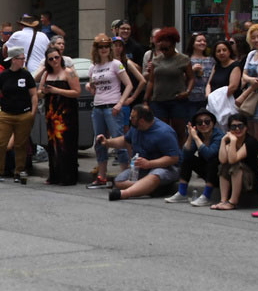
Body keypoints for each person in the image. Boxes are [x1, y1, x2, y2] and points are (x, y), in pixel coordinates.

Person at [98, 104, 182, 201]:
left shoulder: (164, 132)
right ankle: (150, 188)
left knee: (155, 175)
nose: (130, 119)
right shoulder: (136, 128)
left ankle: (123, 194)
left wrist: (149, 164)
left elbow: (173, 158)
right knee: (119, 181)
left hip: (166, 167)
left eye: (133, 117)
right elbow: (125, 140)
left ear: (141, 121)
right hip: (142, 167)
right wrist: (107, 142)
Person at [86, 34, 134, 189]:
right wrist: (90, 87)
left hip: (112, 105)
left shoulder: (116, 64)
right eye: (101, 47)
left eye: (107, 46)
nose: (104, 49)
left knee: (118, 141)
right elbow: (94, 89)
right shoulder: (93, 67)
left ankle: (125, 175)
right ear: (96, 49)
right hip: (98, 105)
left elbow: (129, 85)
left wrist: (120, 103)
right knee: (99, 142)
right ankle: (102, 176)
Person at [0, 46, 38, 183]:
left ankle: (19, 171)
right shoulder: (3, 75)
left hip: (23, 114)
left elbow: (34, 94)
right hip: (5, 114)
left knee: (20, 144)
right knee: (0, 143)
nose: (23, 61)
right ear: (13, 60)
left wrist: (32, 112)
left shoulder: (26, 75)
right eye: (21, 58)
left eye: (24, 58)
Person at [39, 47, 81, 185]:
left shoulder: (69, 72)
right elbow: (39, 92)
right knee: (52, 145)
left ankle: (67, 176)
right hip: (51, 113)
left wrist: (57, 90)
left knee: (66, 145)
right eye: (51, 59)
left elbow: (77, 92)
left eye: (56, 57)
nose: (54, 61)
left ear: (61, 57)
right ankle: (54, 175)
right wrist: (43, 92)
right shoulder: (46, 74)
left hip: (66, 114)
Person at [145, 27, 193, 143]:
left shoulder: (183, 59)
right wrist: (146, 99)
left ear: (173, 42)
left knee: (179, 131)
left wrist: (187, 92)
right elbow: (151, 81)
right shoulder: (156, 60)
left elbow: (191, 78)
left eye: (165, 42)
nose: (162, 46)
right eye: (160, 42)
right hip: (159, 101)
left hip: (177, 100)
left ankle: (181, 157)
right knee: (162, 131)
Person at [167, 109, 222, 206]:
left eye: (207, 121)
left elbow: (210, 154)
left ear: (213, 123)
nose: (203, 124)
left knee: (213, 160)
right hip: (206, 172)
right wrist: (190, 136)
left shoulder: (219, 136)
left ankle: (207, 196)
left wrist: (195, 137)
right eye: (200, 123)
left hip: (220, 175)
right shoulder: (198, 135)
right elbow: (185, 155)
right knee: (188, 159)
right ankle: (182, 193)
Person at [211, 113, 258, 210]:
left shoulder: (250, 142)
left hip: (253, 181)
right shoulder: (229, 140)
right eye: (233, 127)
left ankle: (232, 202)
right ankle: (223, 200)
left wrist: (233, 141)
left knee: (236, 166)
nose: (237, 129)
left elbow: (233, 159)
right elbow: (222, 160)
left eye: (240, 126)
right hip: (237, 178)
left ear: (246, 127)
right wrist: (223, 141)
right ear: (229, 129)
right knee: (223, 166)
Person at [185, 33, 214, 117]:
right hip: (191, 99)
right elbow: (180, 77)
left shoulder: (211, 60)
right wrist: (192, 70)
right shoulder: (186, 59)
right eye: (199, 41)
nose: (202, 43)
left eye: (204, 41)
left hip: (207, 98)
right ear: (192, 43)